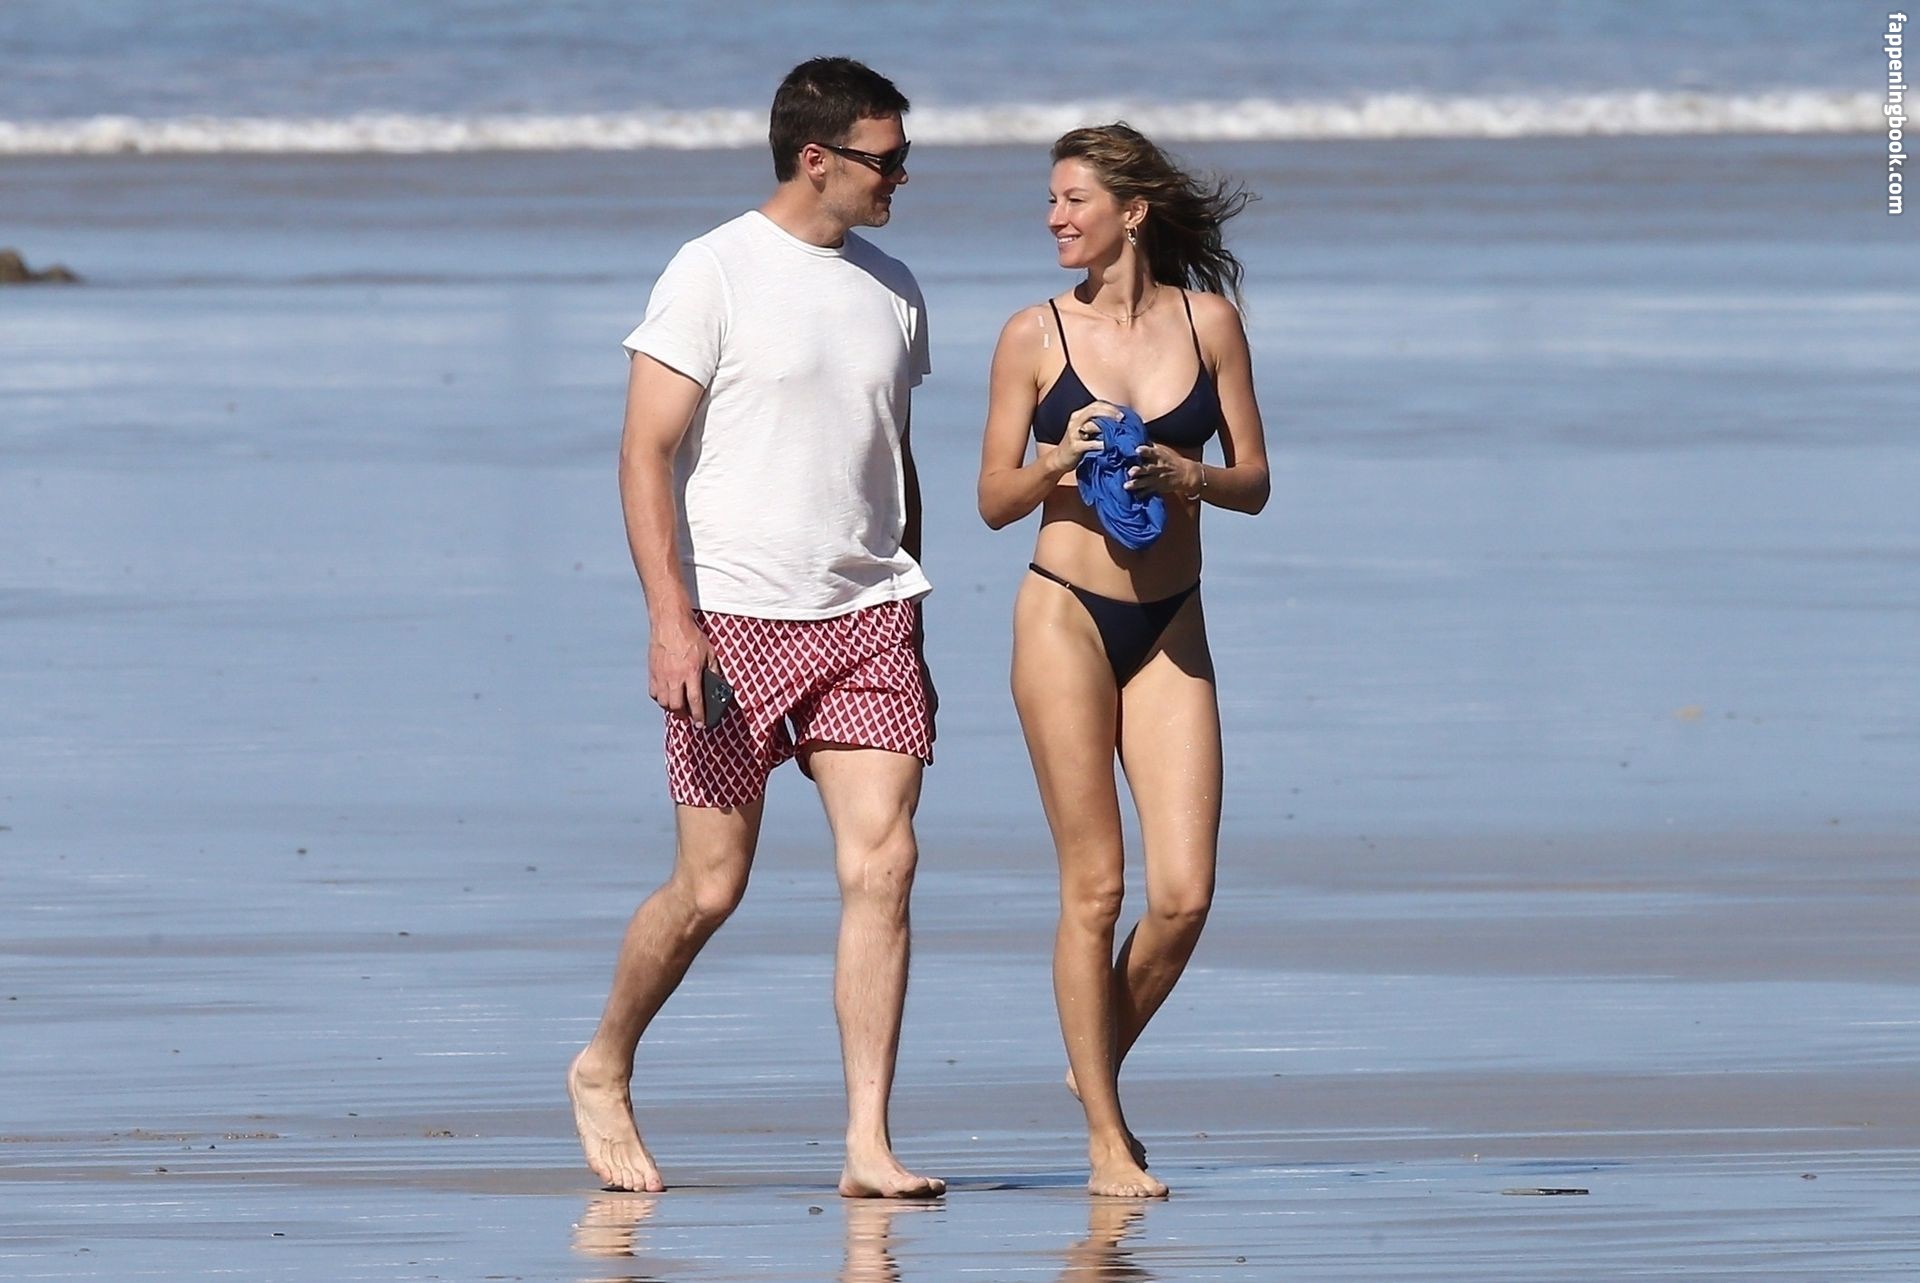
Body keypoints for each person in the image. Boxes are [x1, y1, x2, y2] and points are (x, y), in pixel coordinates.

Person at [569, 56, 943, 1200]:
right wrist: (669, 620)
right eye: (886, 159)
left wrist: (911, 610)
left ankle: (868, 1141)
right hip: (730, 621)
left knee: (884, 863)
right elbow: (644, 452)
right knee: (711, 886)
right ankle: (604, 1059)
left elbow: (892, 460)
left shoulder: (896, 289)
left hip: (869, 617)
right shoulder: (712, 270)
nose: (901, 177)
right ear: (816, 158)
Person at [976, 124, 1269, 1198]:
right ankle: (1106, 1138)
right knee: (1095, 884)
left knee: (1184, 895)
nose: (1055, 217)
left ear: (1131, 211)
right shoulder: (1032, 334)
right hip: (1064, 617)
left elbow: (1256, 480)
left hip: (1171, 622)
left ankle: (1090, 1057)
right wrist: (1057, 458)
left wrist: (1191, 477)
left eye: (1074, 199)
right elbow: (992, 500)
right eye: (1051, 200)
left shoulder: (1210, 323)